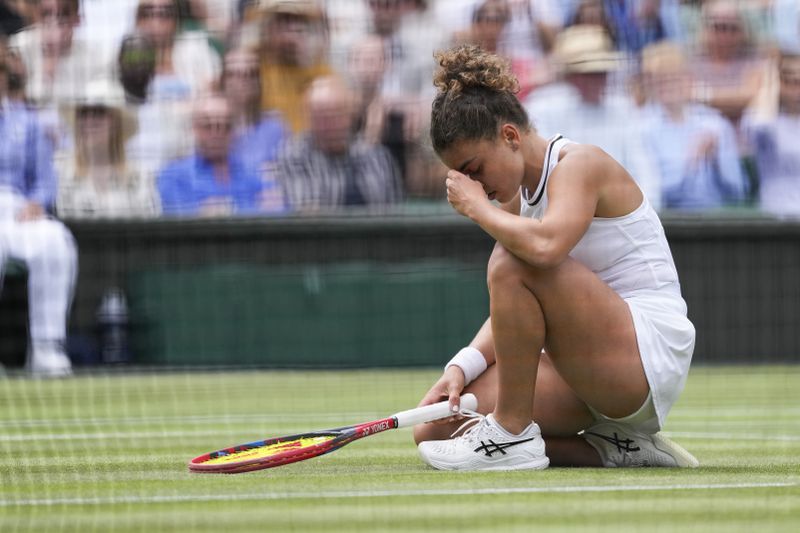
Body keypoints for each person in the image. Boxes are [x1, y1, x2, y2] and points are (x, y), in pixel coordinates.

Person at [413, 44, 699, 471]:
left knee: (514, 260)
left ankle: (511, 432)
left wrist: (477, 208)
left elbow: (545, 249)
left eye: (474, 169)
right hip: (579, 369)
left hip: (642, 362)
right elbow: (511, 309)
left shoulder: (582, 164)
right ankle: (622, 449)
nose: (474, 185)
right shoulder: (512, 200)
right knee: (436, 425)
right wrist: (462, 365)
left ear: (510, 136)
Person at [0, 51, 77, 377]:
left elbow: (45, 179)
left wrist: (37, 201)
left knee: (56, 240)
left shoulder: (29, 123)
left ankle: (47, 347)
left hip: (17, 211)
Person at [640, 41, 748, 210]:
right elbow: (652, 195)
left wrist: (717, 160)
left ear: (689, 79)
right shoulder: (643, 128)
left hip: (717, 222)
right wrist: (691, 162)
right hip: (668, 223)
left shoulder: (716, 124)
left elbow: (739, 191)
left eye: (675, 77)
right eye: (661, 80)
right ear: (650, 84)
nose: (669, 86)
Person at [272, 76, 402, 210]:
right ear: (308, 119)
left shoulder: (376, 156)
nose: (330, 125)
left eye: (337, 114)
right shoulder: (293, 155)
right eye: (321, 118)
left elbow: (392, 210)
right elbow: (309, 213)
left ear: (350, 114)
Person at [157, 94, 283, 216]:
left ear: (235, 131)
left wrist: (217, 210)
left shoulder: (253, 172)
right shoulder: (173, 176)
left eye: (226, 126)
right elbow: (184, 223)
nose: (217, 134)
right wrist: (253, 209)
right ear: (194, 128)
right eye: (208, 126)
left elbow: (279, 210)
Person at [56, 79, 159, 218]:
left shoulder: (139, 178)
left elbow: (151, 229)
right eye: (83, 113)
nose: (89, 121)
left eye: (98, 112)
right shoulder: (61, 174)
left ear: (116, 123)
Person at [744, 51, 800, 218]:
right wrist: (770, 81)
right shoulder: (765, 116)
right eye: (790, 81)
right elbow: (759, 127)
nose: (797, 89)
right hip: (778, 220)